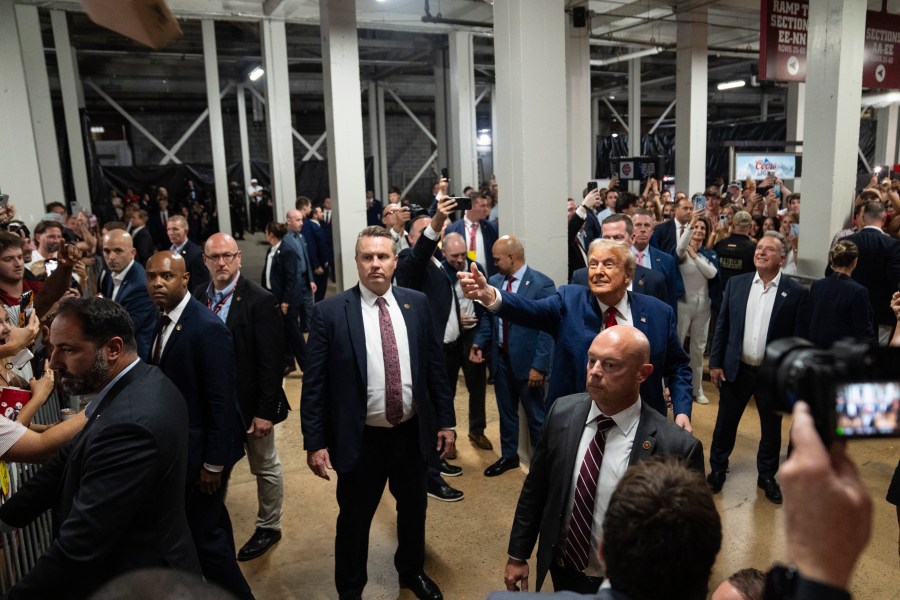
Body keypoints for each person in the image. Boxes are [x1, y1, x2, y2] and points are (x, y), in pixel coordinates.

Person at [0, 298, 200, 599]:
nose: (53, 363)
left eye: (67, 349)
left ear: (113, 349)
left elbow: (81, 543)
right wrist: (4, 520)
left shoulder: (130, 426)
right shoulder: (133, 383)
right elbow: (64, 460)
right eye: (52, 348)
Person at [301, 226, 456, 600]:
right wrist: (315, 441)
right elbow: (315, 385)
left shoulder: (416, 304)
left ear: (395, 261)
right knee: (354, 520)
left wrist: (447, 421)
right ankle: (351, 589)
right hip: (361, 438)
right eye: (367, 257)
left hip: (410, 431)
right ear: (356, 262)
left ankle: (411, 571)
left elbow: (435, 367)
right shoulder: (330, 313)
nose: (375, 264)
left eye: (382, 256)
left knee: (413, 510)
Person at [501, 326, 704, 594]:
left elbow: (689, 547)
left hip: (630, 584)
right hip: (563, 568)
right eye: (591, 360)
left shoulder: (677, 448)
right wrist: (518, 554)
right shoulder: (562, 413)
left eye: (610, 364)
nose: (595, 371)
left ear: (642, 374)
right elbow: (535, 491)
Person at [458, 238, 694, 431]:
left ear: (628, 275)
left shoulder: (658, 313)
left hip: (638, 424)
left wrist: (682, 410)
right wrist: (490, 296)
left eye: (608, 264)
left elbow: (678, 367)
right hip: (577, 424)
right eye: (593, 264)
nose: (598, 271)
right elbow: (528, 310)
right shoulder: (569, 300)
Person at [145, 251, 251, 600]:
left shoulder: (206, 327)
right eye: (151, 277)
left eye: (167, 276)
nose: (157, 283)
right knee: (211, 528)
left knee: (206, 541)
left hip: (204, 454)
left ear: (186, 279)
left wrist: (213, 464)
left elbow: (222, 401)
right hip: (182, 449)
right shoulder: (161, 318)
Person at [196, 233, 290, 562]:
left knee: (264, 466)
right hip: (213, 405)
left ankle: (269, 525)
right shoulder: (197, 297)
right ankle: (209, 523)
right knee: (213, 465)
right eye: (214, 257)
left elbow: (271, 362)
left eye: (227, 256)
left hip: (250, 404)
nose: (221, 263)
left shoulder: (259, 300)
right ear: (204, 261)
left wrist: (264, 412)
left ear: (238, 258)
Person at [707, 232, 809, 504]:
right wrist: (715, 363)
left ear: (782, 258)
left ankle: (766, 476)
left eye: (769, 250)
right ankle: (717, 469)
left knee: (771, 430)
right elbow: (723, 326)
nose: (761, 252)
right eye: (759, 248)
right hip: (736, 369)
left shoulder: (796, 292)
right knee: (725, 424)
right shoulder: (737, 284)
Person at [394, 199, 465, 502]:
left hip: (448, 351)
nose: (432, 235)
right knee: (431, 412)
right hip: (428, 353)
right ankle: (431, 478)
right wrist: (435, 221)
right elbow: (422, 251)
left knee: (442, 410)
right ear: (412, 238)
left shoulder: (438, 263)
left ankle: (438, 460)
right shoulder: (409, 261)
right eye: (423, 232)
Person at [471, 235, 555, 478]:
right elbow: (488, 317)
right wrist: (479, 342)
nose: (494, 263)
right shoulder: (495, 281)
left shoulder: (542, 284)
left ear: (511, 257)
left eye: (497, 259)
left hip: (528, 363)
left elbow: (547, 329)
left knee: (536, 416)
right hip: (501, 359)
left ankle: (542, 465)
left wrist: (539, 365)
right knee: (506, 411)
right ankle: (509, 456)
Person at [442, 232, 491, 452]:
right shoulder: (439, 272)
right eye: (454, 255)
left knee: (478, 386)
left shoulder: (475, 267)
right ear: (443, 253)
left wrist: (480, 340)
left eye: (463, 254)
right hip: (449, 337)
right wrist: (453, 317)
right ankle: (448, 436)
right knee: (446, 389)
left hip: (473, 335)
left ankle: (477, 430)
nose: (460, 259)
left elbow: (486, 306)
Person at [837, 201, 900, 344]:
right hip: (881, 316)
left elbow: (831, 273)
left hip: (846, 313)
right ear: (884, 219)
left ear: (863, 218)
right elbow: (896, 281)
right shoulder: (894, 245)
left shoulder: (845, 241)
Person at [675, 212, 720, 405]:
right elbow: (679, 248)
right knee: (677, 346)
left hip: (704, 305)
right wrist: (690, 226)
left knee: (698, 349)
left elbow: (712, 273)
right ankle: (672, 386)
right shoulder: (683, 252)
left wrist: (696, 255)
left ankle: (697, 388)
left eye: (703, 228)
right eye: (696, 228)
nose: (699, 231)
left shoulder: (709, 253)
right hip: (684, 304)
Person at [803, 240, 876, 347]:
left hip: (817, 349)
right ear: (855, 262)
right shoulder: (858, 291)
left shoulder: (817, 285)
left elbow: (809, 320)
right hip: (842, 354)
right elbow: (863, 331)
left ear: (832, 260)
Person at [99, 229, 157, 361]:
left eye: (118, 251)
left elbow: (124, 328)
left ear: (132, 253)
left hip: (135, 355)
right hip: (117, 349)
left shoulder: (141, 286)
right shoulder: (110, 273)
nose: (111, 257)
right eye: (106, 251)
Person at [263, 222, 306, 375]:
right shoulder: (271, 250)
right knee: (283, 333)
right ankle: (288, 362)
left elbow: (290, 278)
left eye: (266, 231)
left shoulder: (287, 251)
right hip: (274, 298)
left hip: (287, 301)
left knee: (294, 333)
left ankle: (307, 366)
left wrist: (285, 301)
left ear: (271, 234)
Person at [631, 209, 684, 312]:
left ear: (652, 231)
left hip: (655, 316)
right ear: (630, 230)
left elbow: (671, 299)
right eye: (638, 225)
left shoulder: (667, 261)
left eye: (647, 225)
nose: (643, 229)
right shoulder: (620, 257)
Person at [445, 192, 500, 276]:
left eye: (487, 206)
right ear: (471, 207)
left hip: (487, 277)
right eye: (482, 206)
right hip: (460, 278)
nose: (486, 209)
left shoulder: (492, 228)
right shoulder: (452, 229)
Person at [283, 209, 317, 330]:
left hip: (305, 280)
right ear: (288, 221)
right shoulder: (285, 240)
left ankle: (308, 336)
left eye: (301, 219)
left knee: (309, 311)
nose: (301, 223)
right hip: (294, 282)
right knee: (295, 311)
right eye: (298, 220)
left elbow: (306, 259)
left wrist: (311, 279)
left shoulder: (301, 236)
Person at [714, 211, 757, 289]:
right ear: (750, 226)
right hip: (742, 292)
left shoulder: (719, 245)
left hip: (720, 293)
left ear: (733, 225)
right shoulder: (753, 249)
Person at [167, 215, 210, 293]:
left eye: (175, 229)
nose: (171, 233)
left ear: (185, 231)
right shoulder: (167, 252)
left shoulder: (196, 254)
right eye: (169, 229)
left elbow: (200, 287)